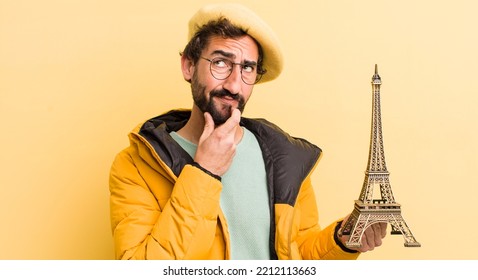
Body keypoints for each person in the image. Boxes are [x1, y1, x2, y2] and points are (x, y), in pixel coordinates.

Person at [109, 3, 386, 260]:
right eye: (220, 62)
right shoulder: (136, 165)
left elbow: (297, 253)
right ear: (189, 66)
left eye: (247, 69)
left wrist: (341, 240)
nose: (233, 84)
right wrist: (204, 172)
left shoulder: (284, 157)